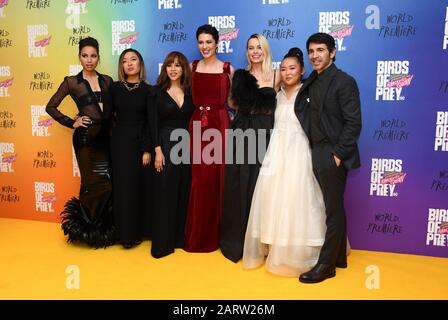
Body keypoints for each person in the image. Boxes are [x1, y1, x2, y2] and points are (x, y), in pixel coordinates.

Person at [243, 48, 326, 277]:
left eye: (292, 68)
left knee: (299, 198)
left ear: (302, 71)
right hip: (276, 153)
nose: (287, 72)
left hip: (300, 153)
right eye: (284, 68)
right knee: (273, 198)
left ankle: (301, 250)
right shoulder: (276, 95)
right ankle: (274, 245)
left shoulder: (308, 95)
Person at [298, 32, 361, 284]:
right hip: (316, 149)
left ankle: (326, 266)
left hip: (331, 152)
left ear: (332, 52)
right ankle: (339, 259)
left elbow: (353, 123)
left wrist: (338, 153)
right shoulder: (312, 80)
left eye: (321, 50)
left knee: (332, 210)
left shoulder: (344, 81)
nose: (315, 55)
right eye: (311, 51)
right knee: (333, 206)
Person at [46, 37, 115, 248]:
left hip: (106, 138)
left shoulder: (107, 80)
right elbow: (51, 107)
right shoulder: (72, 82)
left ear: (98, 58)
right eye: (85, 56)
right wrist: (72, 121)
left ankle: (102, 230)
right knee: (90, 183)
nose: (89, 60)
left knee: (107, 182)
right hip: (85, 139)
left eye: (93, 56)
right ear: (79, 57)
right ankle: (86, 229)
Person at [184, 24, 235, 252]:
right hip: (197, 125)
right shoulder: (191, 67)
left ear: (217, 43)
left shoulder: (227, 69)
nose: (204, 46)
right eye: (201, 42)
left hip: (220, 124)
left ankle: (217, 236)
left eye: (208, 42)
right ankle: (198, 234)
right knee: (199, 178)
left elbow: (234, 102)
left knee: (218, 178)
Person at [220, 69, 276, 263]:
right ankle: (239, 239)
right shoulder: (240, 75)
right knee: (238, 182)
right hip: (242, 131)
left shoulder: (275, 74)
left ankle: (262, 243)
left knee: (261, 186)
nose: (255, 51)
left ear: (264, 50)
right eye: (251, 48)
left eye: (258, 47)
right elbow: (231, 104)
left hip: (265, 133)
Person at [149, 51, 194, 258]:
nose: (174, 69)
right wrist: (157, 150)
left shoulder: (190, 91)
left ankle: (178, 239)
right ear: (164, 68)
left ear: (184, 68)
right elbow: (153, 123)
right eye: (169, 65)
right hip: (165, 145)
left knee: (182, 191)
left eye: (178, 65)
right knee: (164, 192)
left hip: (185, 145)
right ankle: (162, 244)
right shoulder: (156, 92)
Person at [110, 48, 153, 249]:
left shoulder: (148, 90)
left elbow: (149, 122)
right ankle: (122, 233)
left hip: (139, 144)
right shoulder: (115, 88)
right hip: (119, 144)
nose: (129, 63)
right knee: (122, 188)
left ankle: (137, 233)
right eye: (125, 60)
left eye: (133, 59)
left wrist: (147, 149)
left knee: (137, 188)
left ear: (140, 64)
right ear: (121, 66)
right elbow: (107, 118)